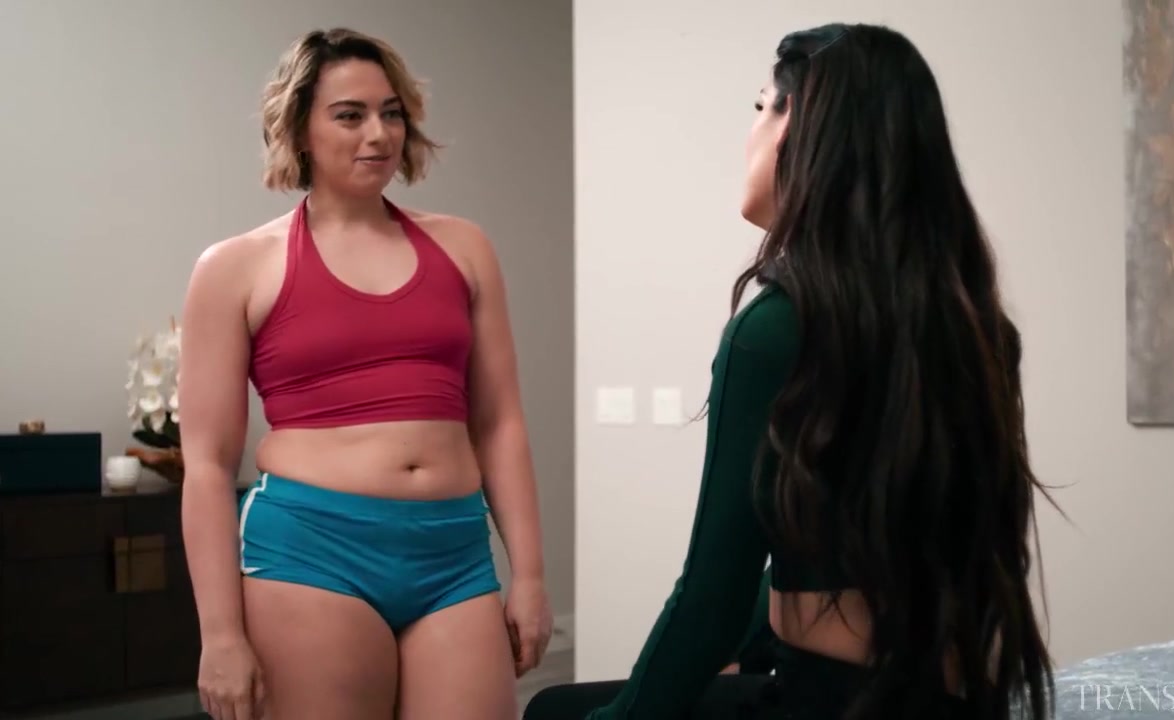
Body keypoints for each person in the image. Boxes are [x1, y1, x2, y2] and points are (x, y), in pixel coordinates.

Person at [524, 22, 1061, 720]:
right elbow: (843, 556)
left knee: (553, 712)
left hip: (829, 701)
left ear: (803, 129)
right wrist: (744, 643)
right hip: (954, 701)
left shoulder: (775, 330)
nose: (749, 133)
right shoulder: (975, 327)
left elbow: (712, 595)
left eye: (761, 106)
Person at [179, 27, 553, 720]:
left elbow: (499, 424)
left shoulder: (464, 247)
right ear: (300, 129)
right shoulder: (235, 267)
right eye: (349, 115)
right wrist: (220, 635)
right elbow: (205, 463)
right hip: (311, 554)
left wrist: (529, 574)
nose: (377, 134)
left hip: (453, 554)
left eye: (391, 113)